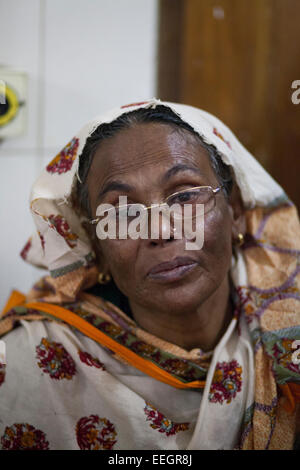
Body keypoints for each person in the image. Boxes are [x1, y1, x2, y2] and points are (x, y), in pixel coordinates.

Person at [0, 99, 299, 450]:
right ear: (98, 248)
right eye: (123, 213)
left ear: (233, 210)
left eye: (184, 196)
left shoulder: (286, 336)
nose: (160, 231)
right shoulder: (26, 367)